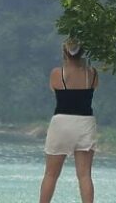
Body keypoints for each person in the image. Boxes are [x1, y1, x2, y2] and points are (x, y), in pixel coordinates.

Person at [39, 41, 99, 203]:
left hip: (62, 123)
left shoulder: (57, 73)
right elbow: (95, 87)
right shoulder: (92, 73)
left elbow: (53, 88)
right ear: (82, 53)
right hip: (85, 123)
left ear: (64, 53)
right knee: (85, 175)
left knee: (51, 174)